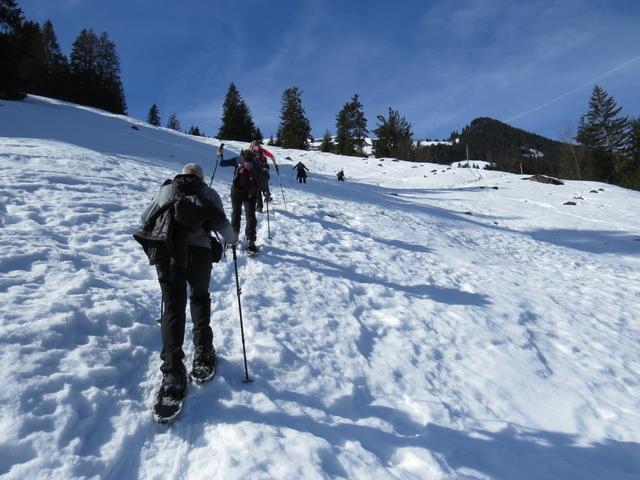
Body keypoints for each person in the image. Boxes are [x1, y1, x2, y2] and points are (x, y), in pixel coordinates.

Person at [134, 163, 238, 418]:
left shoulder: (166, 190)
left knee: (173, 306)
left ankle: (172, 372)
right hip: (200, 254)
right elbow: (224, 227)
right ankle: (202, 351)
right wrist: (232, 239)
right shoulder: (208, 193)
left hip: (168, 256)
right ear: (200, 177)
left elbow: (145, 218)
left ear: (181, 174)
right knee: (200, 297)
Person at [231, 150, 262, 255]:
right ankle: (240, 239)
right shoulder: (252, 164)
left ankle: (246, 239)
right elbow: (222, 163)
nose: (248, 164)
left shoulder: (255, 166)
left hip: (246, 192)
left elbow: (265, 178)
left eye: (250, 162)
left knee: (245, 214)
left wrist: (219, 155)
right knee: (242, 214)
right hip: (242, 192)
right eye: (246, 161)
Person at [250, 140, 279, 213]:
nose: (257, 147)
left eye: (257, 146)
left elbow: (271, 156)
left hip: (263, 170)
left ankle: (264, 199)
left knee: (262, 184)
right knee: (259, 187)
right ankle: (264, 199)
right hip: (257, 172)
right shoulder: (251, 153)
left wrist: (275, 164)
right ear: (252, 146)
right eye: (255, 146)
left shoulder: (262, 151)